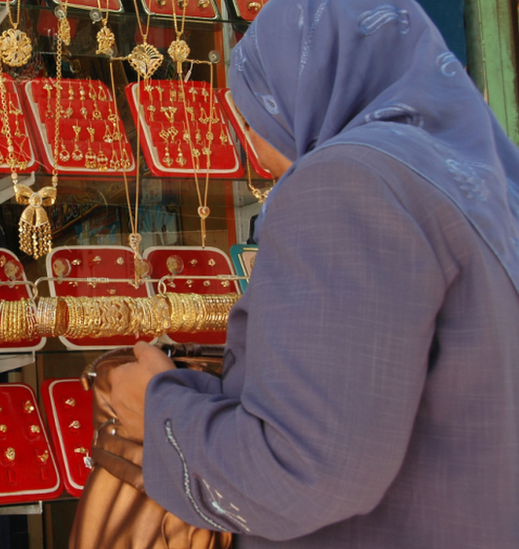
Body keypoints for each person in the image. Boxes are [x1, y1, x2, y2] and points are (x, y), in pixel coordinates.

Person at [107, 0, 519, 547]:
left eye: (251, 110)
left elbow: (304, 471)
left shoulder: (345, 183)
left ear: (302, 83)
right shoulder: (487, 192)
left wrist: (157, 410)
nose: (249, 139)